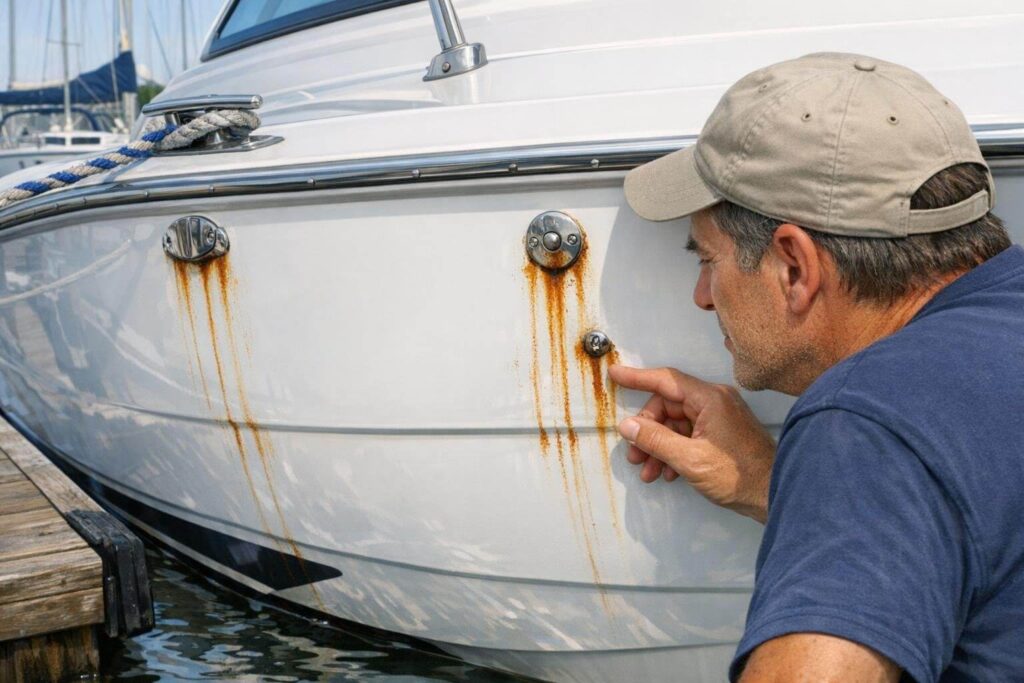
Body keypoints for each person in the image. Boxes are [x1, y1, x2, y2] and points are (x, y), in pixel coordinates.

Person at [614, 52, 1023, 682]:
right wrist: (774, 486)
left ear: (795, 266)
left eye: (707, 260)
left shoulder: (868, 422)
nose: (701, 298)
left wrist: (847, 461)